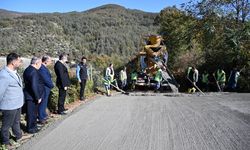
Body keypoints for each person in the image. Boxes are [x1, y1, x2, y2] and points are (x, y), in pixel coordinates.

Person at [0, 53, 24, 147]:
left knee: (16, 121)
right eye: (19, 60)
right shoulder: (4, 74)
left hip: (17, 103)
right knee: (6, 126)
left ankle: (18, 136)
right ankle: (5, 142)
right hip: (8, 105)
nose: (20, 62)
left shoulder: (14, 71)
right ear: (13, 62)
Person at [23, 57, 44, 133]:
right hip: (32, 96)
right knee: (32, 113)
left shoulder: (28, 69)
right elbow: (34, 85)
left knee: (32, 112)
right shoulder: (34, 72)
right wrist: (37, 97)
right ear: (36, 63)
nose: (41, 65)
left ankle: (33, 126)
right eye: (40, 64)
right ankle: (31, 128)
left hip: (30, 95)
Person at [38, 56, 54, 124]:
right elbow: (46, 79)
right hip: (44, 88)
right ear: (46, 61)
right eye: (50, 61)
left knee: (45, 102)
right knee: (43, 103)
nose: (51, 62)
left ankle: (44, 115)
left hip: (46, 88)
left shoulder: (44, 68)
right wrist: (52, 85)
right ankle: (41, 117)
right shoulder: (42, 68)